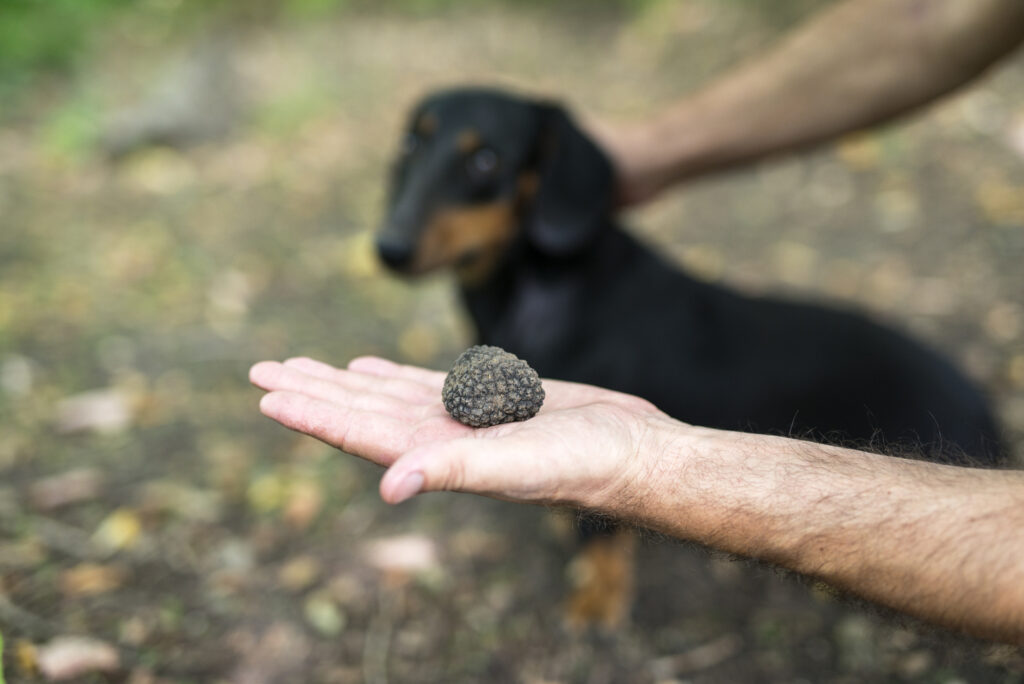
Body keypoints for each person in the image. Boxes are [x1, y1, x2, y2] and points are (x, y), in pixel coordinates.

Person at [250, 0, 1024, 645]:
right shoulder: (546, 297)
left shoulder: (586, 319)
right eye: (419, 153)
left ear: (542, 179)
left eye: (482, 169)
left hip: (939, 427)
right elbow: (929, 15)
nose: (410, 220)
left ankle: (603, 567)